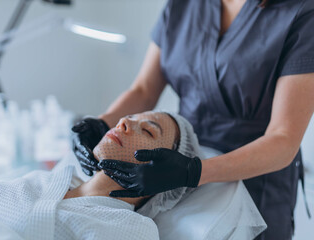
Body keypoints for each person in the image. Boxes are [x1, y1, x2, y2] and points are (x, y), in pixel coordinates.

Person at [72, 0, 314, 239]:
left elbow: (283, 138)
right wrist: (100, 124)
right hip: (172, 173)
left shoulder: (301, 13)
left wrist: (192, 172)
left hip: (255, 180)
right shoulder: (183, 5)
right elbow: (144, 90)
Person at [0, 111, 203, 240]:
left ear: (163, 174)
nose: (124, 121)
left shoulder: (134, 230)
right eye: (132, 116)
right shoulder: (42, 179)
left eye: (147, 131)